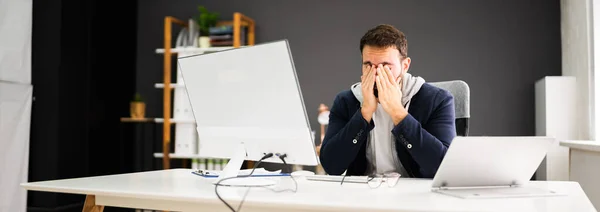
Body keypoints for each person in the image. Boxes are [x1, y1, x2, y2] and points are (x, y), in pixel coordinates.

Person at [319, 24, 456, 178]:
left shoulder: (438, 100)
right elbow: (331, 166)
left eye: (385, 66)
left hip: (414, 195)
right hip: (363, 193)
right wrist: (364, 113)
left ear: (405, 66)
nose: (377, 74)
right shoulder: (346, 101)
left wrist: (398, 112)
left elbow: (443, 167)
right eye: (368, 65)